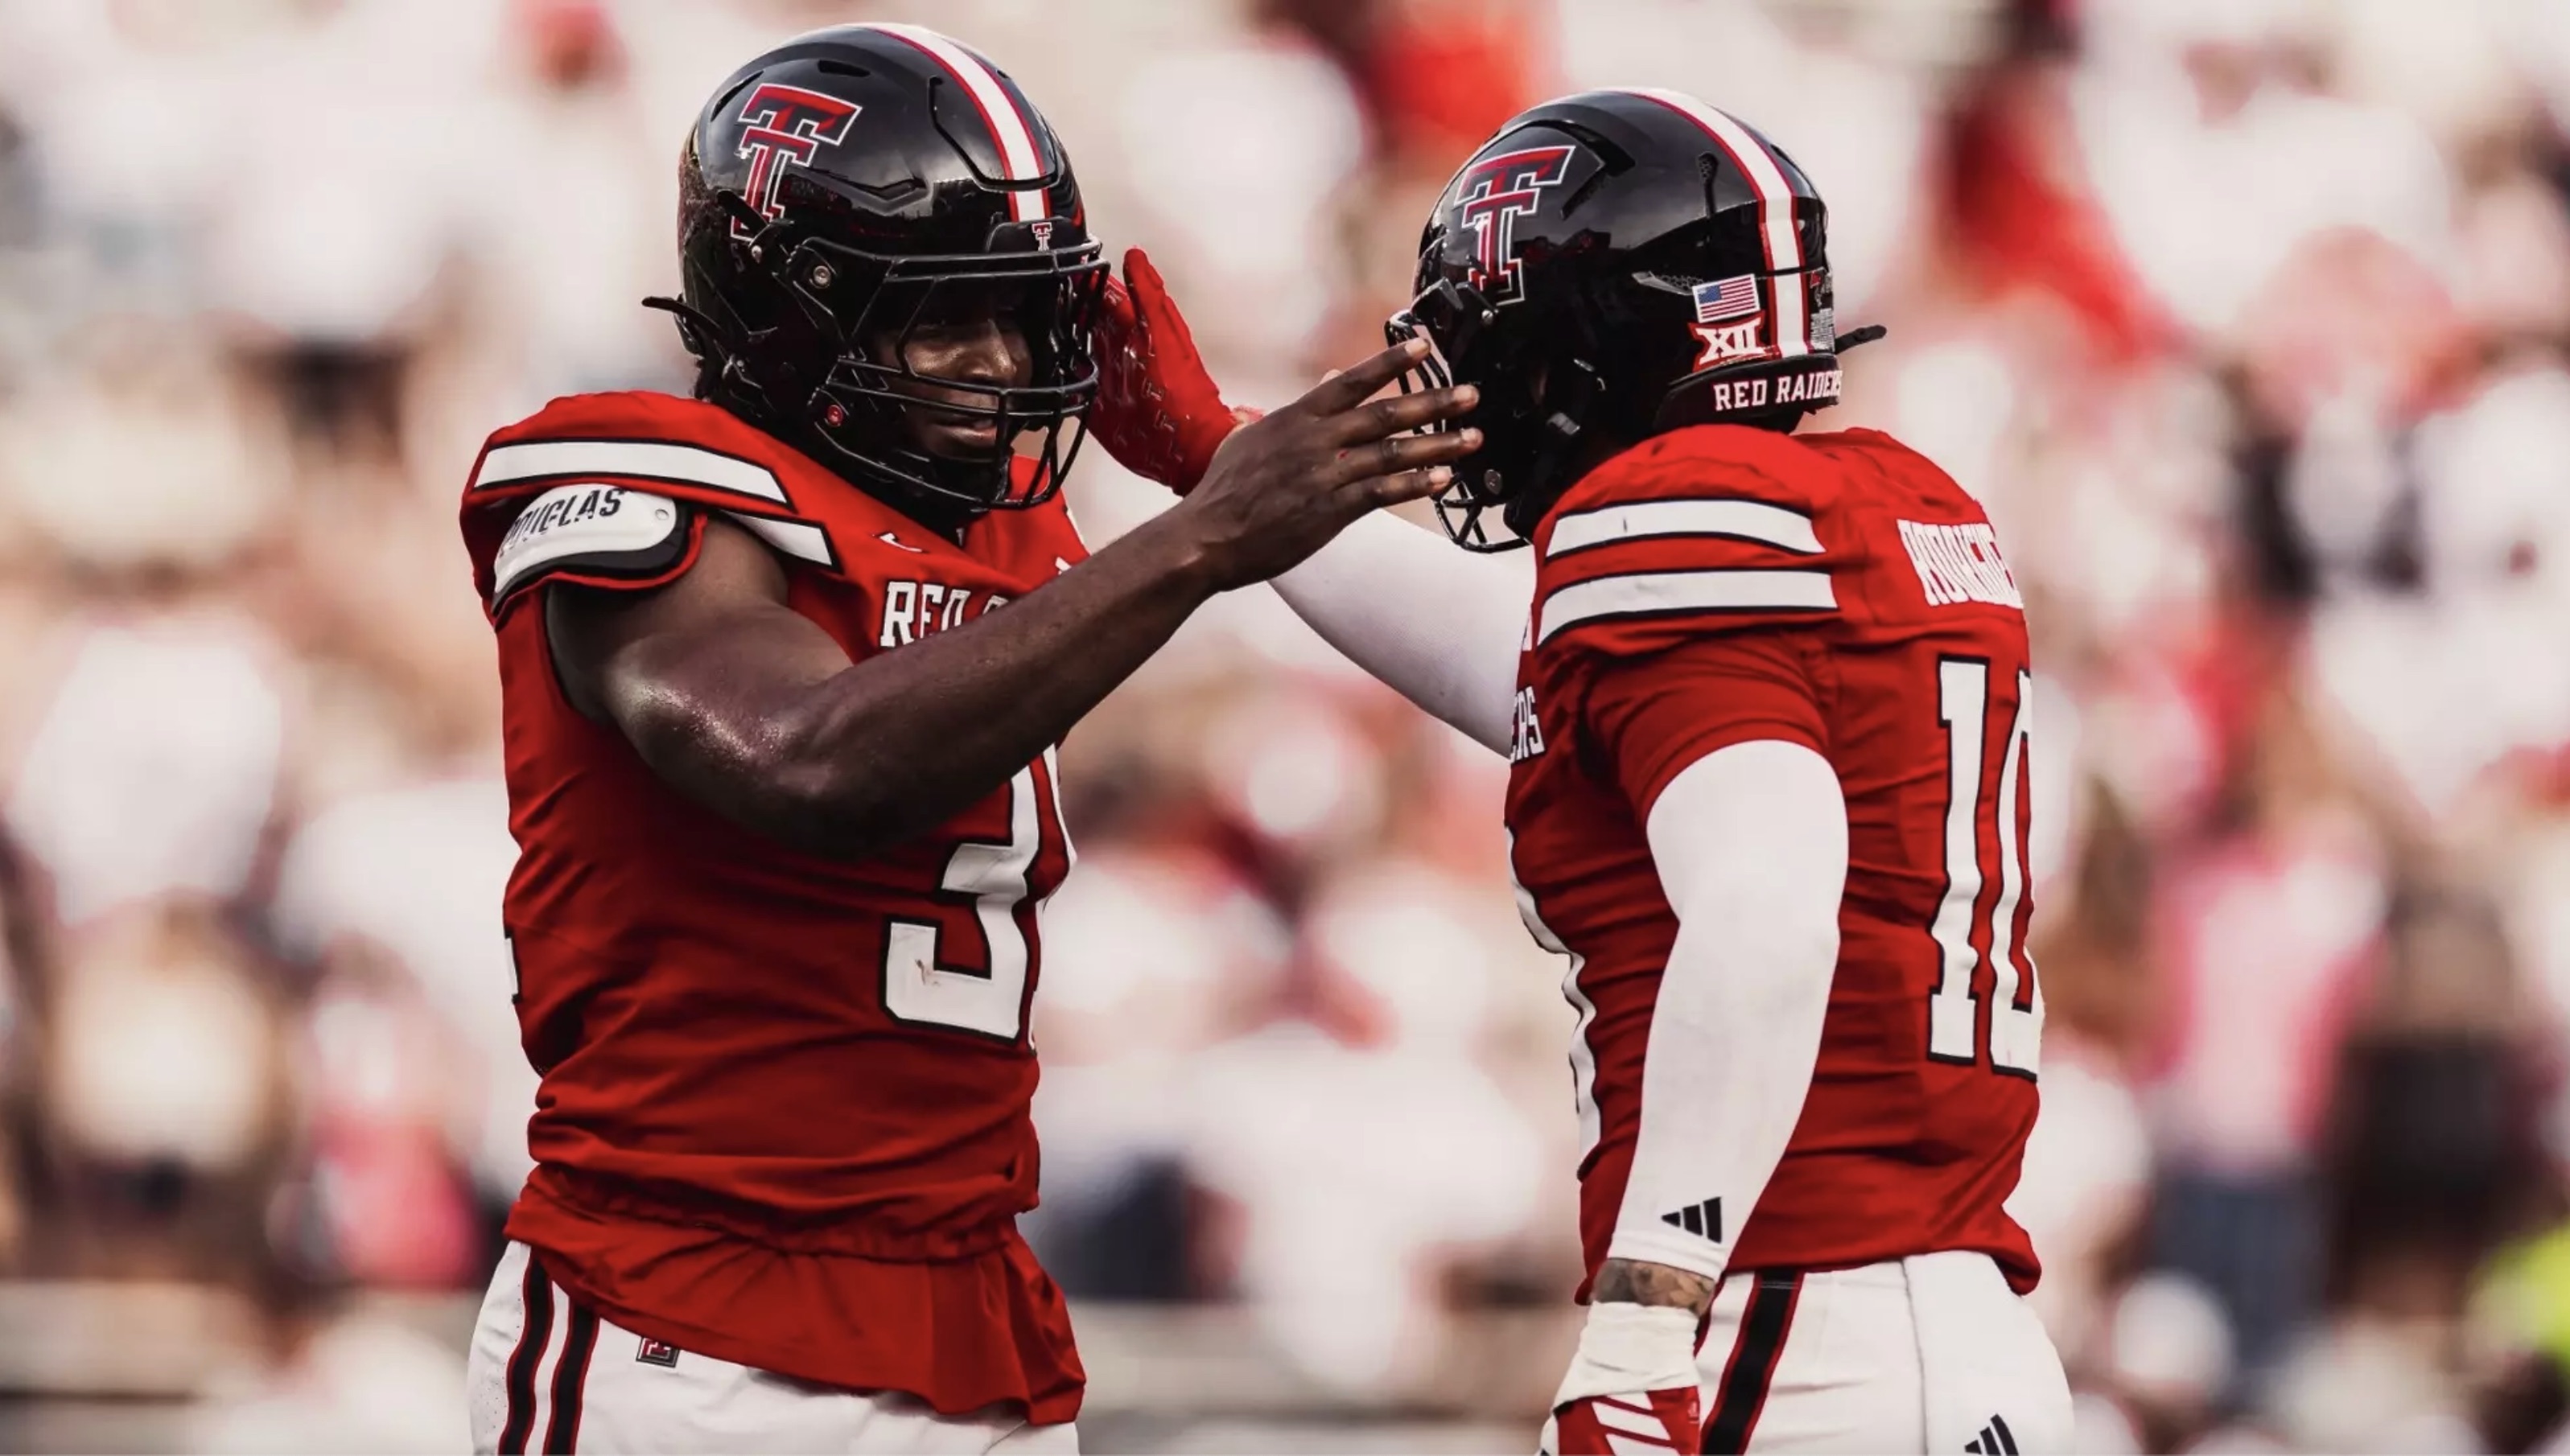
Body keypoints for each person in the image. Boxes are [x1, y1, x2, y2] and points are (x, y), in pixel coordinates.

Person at [451, 24, 1476, 1454]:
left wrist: (1208, 458)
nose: (998, 367)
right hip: (686, 1318)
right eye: (946, 319)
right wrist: (1201, 535)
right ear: (787, 311)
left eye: (1027, 316)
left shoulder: (1007, 522)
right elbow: (807, 760)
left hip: (967, 1308)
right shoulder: (642, 491)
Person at [1095, 88, 2074, 1453]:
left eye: (1507, 349)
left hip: (1782, 1332)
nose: (1486, 394)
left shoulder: (1663, 514)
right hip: (1955, 1336)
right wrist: (1217, 466)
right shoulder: (1896, 504)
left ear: (1600, 341)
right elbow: (1539, 676)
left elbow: (1765, 909)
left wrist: (1645, 1308)